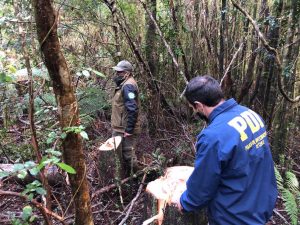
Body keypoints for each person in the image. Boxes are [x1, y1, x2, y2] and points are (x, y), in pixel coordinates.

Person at [172, 75, 278, 225]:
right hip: (259, 208)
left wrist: (184, 202)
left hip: (235, 216)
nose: (195, 112)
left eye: (193, 108)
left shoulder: (213, 136)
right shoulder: (250, 114)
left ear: (199, 105)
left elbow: (203, 186)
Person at [111, 60, 141, 175]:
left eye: (120, 72)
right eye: (117, 72)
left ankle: (139, 178)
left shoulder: (128, 85)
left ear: (127, 73)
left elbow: (132, 108)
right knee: (120, 155)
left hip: (125, 129)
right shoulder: (124, 84)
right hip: (120, 128)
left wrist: (129, 130)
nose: (117, 74)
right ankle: (126, 178)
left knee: (128, 155)